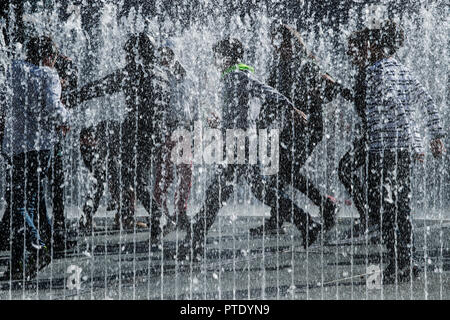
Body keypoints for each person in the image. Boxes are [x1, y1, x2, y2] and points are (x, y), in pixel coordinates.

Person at [174, 37, 316, 261]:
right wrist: (220, 123)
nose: (214, 61)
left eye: (217, 56)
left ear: (227, 56)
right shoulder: (232, 76)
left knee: (217, 192)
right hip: (240, 142)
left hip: (242, 145)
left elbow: (268, 91)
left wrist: (291, 108)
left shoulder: (239, 75)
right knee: (256, 190)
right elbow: (240, 112)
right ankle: (307, 223)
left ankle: (193, 243)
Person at [358, 20, 445, 283]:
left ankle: (400, 260)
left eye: (365, 45)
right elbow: (426, 100)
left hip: (387, 150)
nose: (363, 50)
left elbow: (396, 106)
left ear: (374, 46)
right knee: (399, 204)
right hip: (400, 149)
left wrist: (417, 142)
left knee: (382, 205)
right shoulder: (403, 70)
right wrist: (436, 133)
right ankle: (406, 261)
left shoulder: (376, 71)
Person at [249, 24, 351, 239]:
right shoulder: (280, 66)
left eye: (279, 42)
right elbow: (273, 96)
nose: (276, 47)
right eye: (274, 43)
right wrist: (262, 123)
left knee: (284, 172)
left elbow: (330, 90)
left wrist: (317, 94)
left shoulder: (307, 64)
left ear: (290, 43)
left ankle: (314, 209)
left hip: (310, 127)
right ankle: (314, 209)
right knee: (283, 172)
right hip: (293, 128)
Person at [68, 32, 170, 238]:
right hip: (154, 133)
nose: (127, 58)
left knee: (125, 174)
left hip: (137, 131)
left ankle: (155, 216)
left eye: (130, 53)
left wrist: (75, 97)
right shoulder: (161, 73)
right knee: (124, 172)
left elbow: (104, 85)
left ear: (138, 52)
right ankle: (126, 213)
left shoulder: (137, 71)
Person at [0, 36, 70, 280]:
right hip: (41, 147)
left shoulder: (14, 70)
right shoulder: (48, 75)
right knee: (24, 200)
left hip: (17, 146)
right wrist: (65, 119)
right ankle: (33, 248)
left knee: (20, 199)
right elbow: (53, 107)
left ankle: (27, 254)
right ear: (47, 55)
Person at [153, 40, 193, 233]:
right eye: (163, 53)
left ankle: (181, 212)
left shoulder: (185, 75)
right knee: (164, 175)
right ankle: (163, 213)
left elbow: (191, 102)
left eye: (169, 53)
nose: (165, 57)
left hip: (183, 130)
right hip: (166, 129)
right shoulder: (158, 75)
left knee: (185, 174)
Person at [79, 120, 122, 232]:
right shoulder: (89, 147)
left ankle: (123, 217)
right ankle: (86, 218)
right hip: (105, 148)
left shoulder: (111, 138)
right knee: (98, 185)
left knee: (117, 184)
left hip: (112, 148)